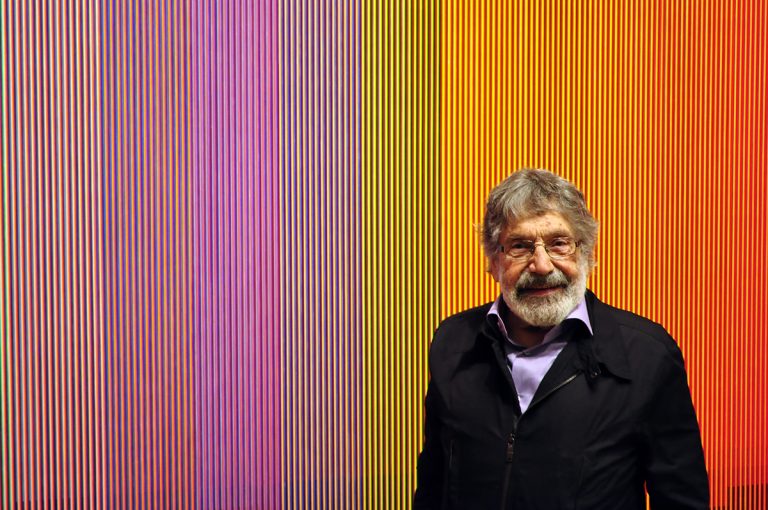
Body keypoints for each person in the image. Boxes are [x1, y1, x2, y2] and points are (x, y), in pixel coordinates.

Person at [413, 169, 709, 509]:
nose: (541, 265)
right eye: (520, 246)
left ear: (587, 254)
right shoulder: (452, 342)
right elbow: (433, 485)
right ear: (493, 260)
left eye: (559, 243)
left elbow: (682, 500)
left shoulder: (647, 355)